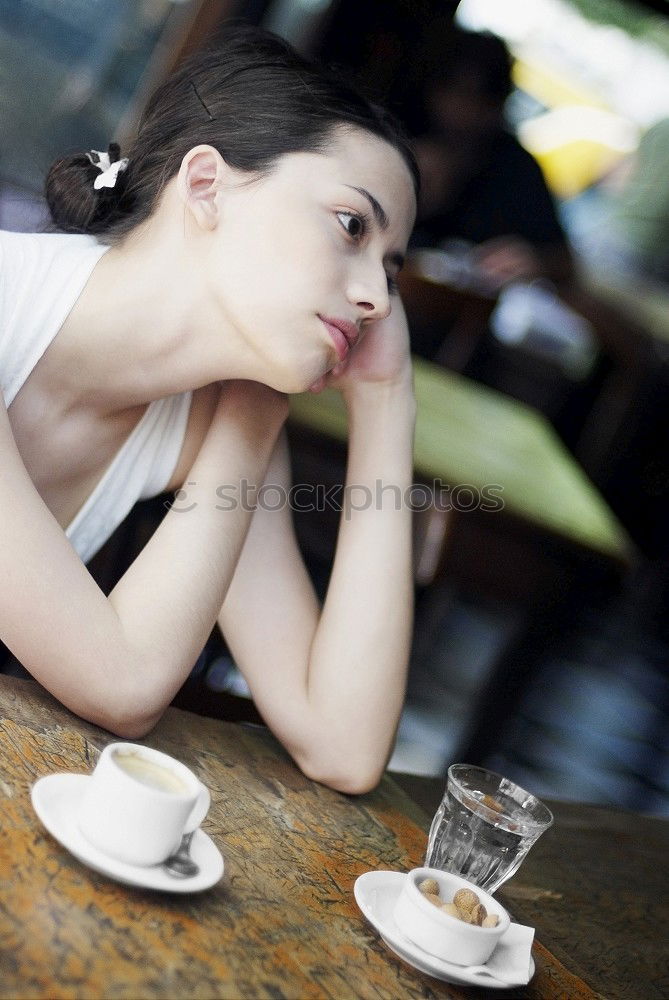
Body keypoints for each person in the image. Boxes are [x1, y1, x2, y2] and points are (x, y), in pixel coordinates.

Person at [0, 25, 418, 794]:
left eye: (390, 272)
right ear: (206, 186)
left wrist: (388, 401)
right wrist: (255, 416)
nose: (374, 299)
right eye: (351, 226)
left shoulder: (219, 421)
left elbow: (343, 744)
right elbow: (122, 686)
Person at [410, 26, 573, 290]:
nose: (462, 110)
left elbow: (565, 263)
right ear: (434, 90)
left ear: (497, 107)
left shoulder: (514, 166)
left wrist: (535, 261)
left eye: (479, 98)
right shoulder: (403, 131)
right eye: (456, 91)